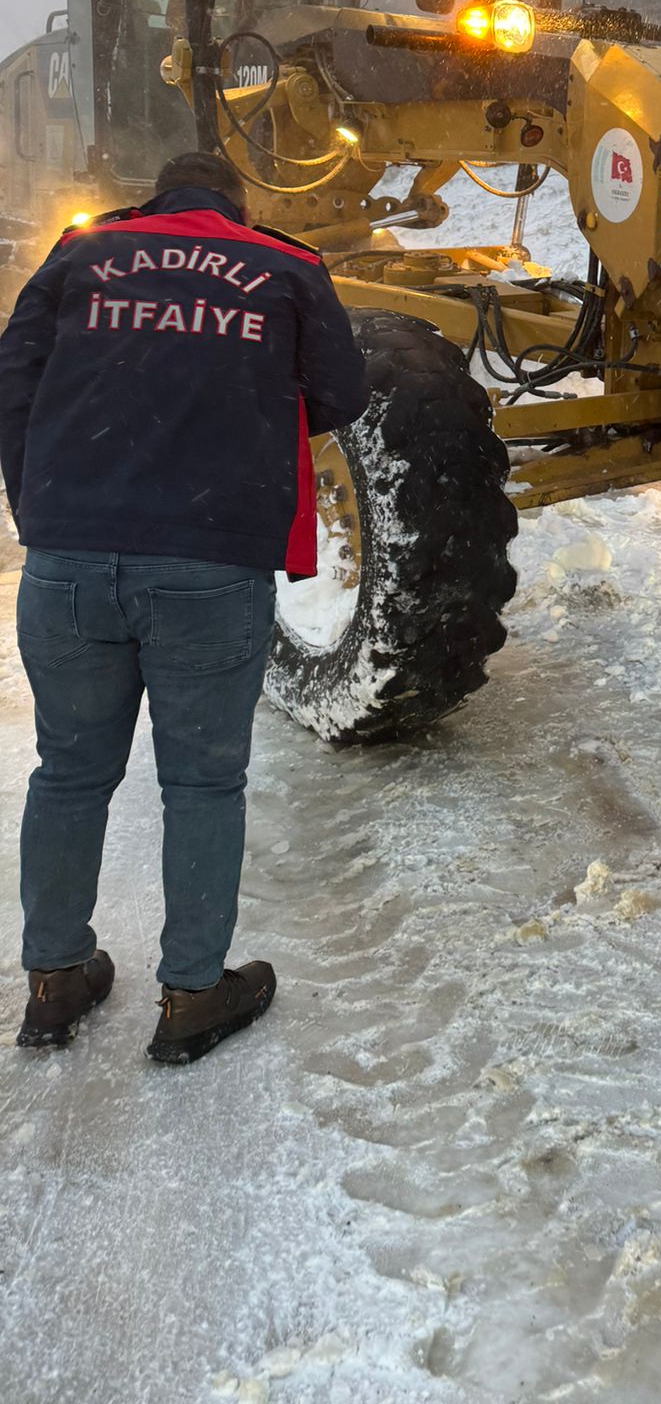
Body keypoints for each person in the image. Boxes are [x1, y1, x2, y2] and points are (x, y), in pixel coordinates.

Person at [0, 150, 369, 1060]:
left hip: (69, 561)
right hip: (209, 563)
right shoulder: (284, 266)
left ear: (155, 198)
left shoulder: (85, 253)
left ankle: (54, 983)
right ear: (235, 210)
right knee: (203, 784)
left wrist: (41, 501)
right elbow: (342, 394)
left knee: (70, 774)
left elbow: (13, 374)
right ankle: (191, 995)